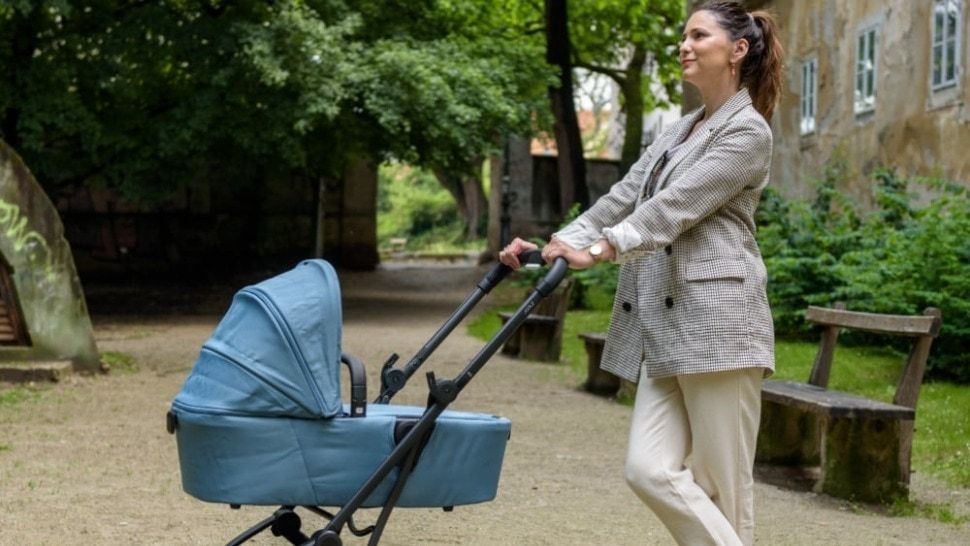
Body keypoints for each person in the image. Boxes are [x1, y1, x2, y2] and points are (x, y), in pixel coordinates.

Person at [499, 2, 783, 544]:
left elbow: (674, 207)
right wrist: (561, 244)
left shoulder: (748, 132)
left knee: (723, 489)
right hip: (662, 324)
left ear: (738, 50)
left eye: (699, 35)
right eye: (683, 35)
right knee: (648, 470)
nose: (685, 44)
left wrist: (604, 249)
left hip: (720, 328)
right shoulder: (679, 130)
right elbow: (625, 196)